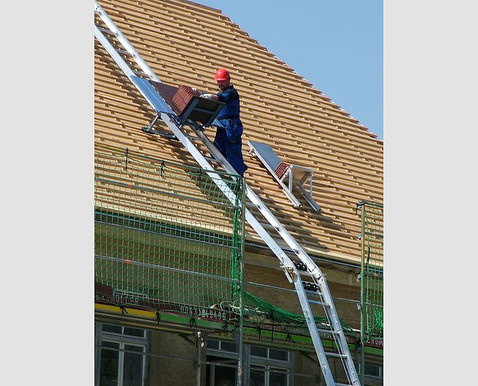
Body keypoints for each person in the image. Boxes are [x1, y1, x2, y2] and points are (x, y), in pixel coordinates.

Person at [200, 68, 246, 177]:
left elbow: (219, 98)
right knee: (216, 150)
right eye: (218, 81)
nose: (220, 83)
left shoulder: (231, 93)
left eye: (222, 81)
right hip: (223, 128)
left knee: (233, 154)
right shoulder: (223, 93)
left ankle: (239, 178)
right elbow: (217, 97)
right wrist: (199, 93)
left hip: (231, 129)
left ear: (228, 80)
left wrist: (209, 96)